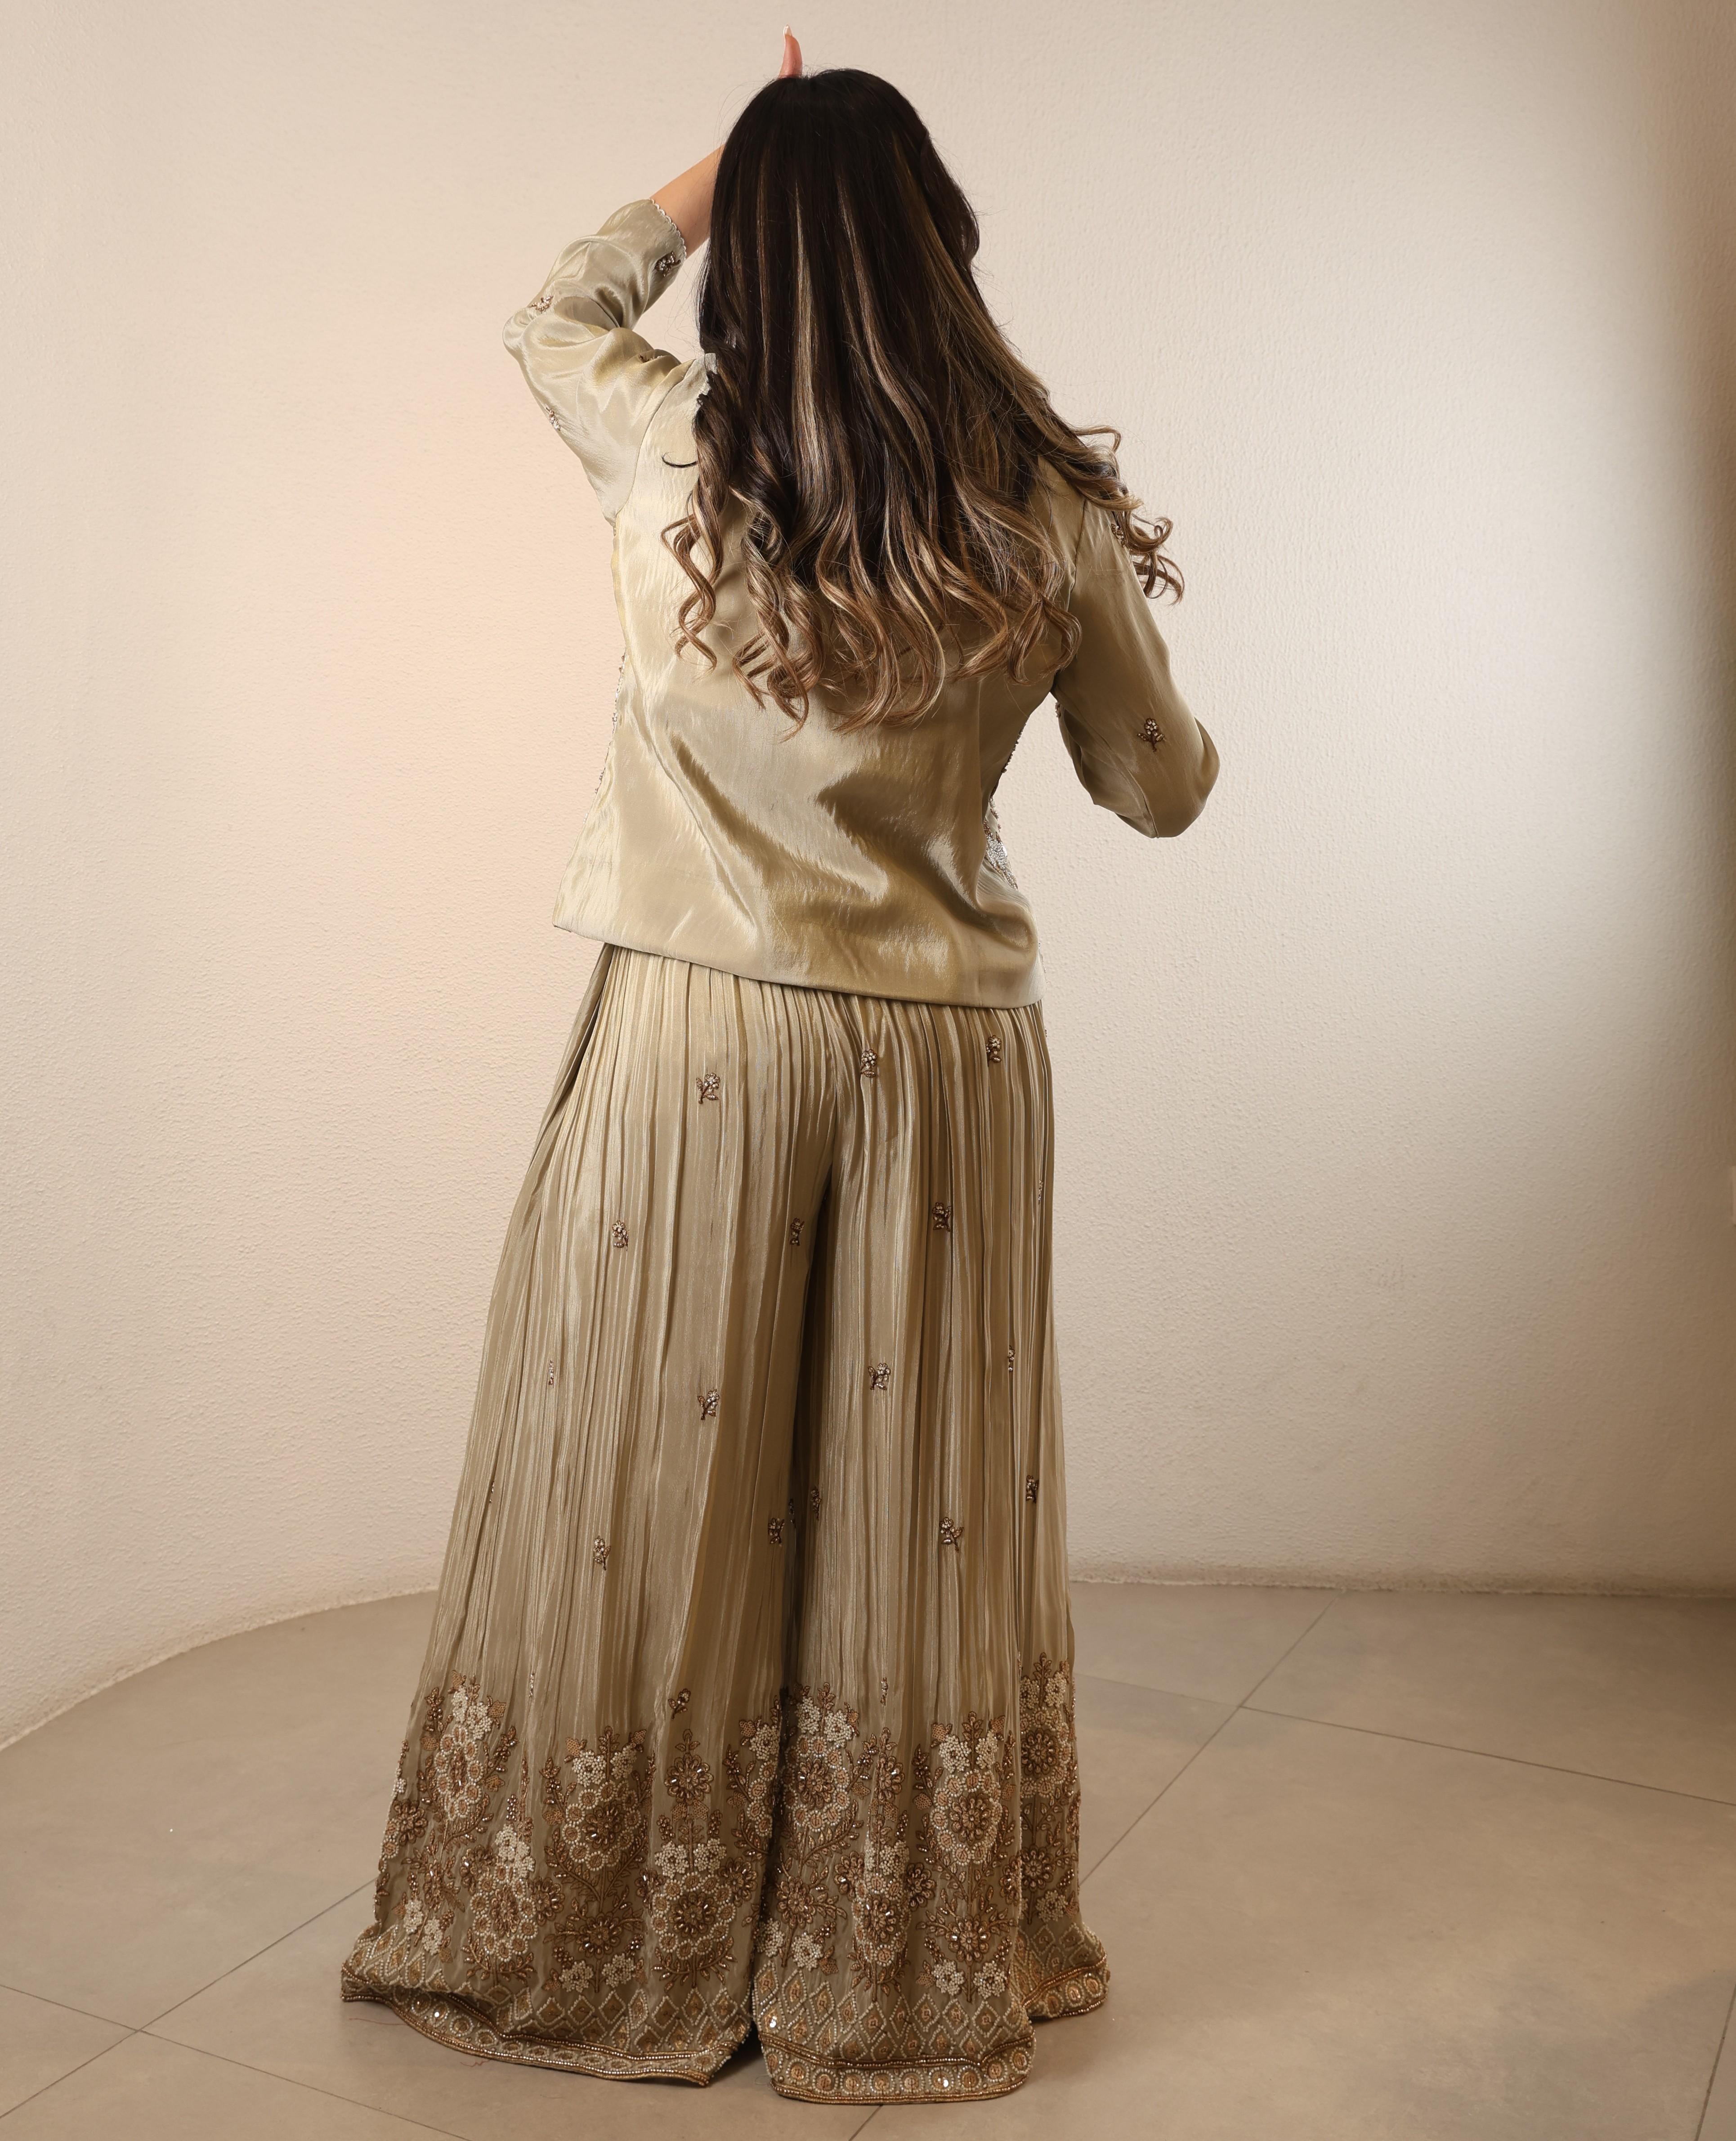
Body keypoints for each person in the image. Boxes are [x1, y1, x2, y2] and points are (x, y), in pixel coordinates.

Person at [340, 31, 1217, 2108]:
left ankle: (601, 1925)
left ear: (755, 255)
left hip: (696, 1038)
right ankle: (881, 1950)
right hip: (942, 1059)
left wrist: (720, 158)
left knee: (648, 1490)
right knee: (912, 1516)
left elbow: (549, 306)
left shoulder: (669, 447)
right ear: (939, 245)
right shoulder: (1042, 508)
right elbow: (1156, 787)